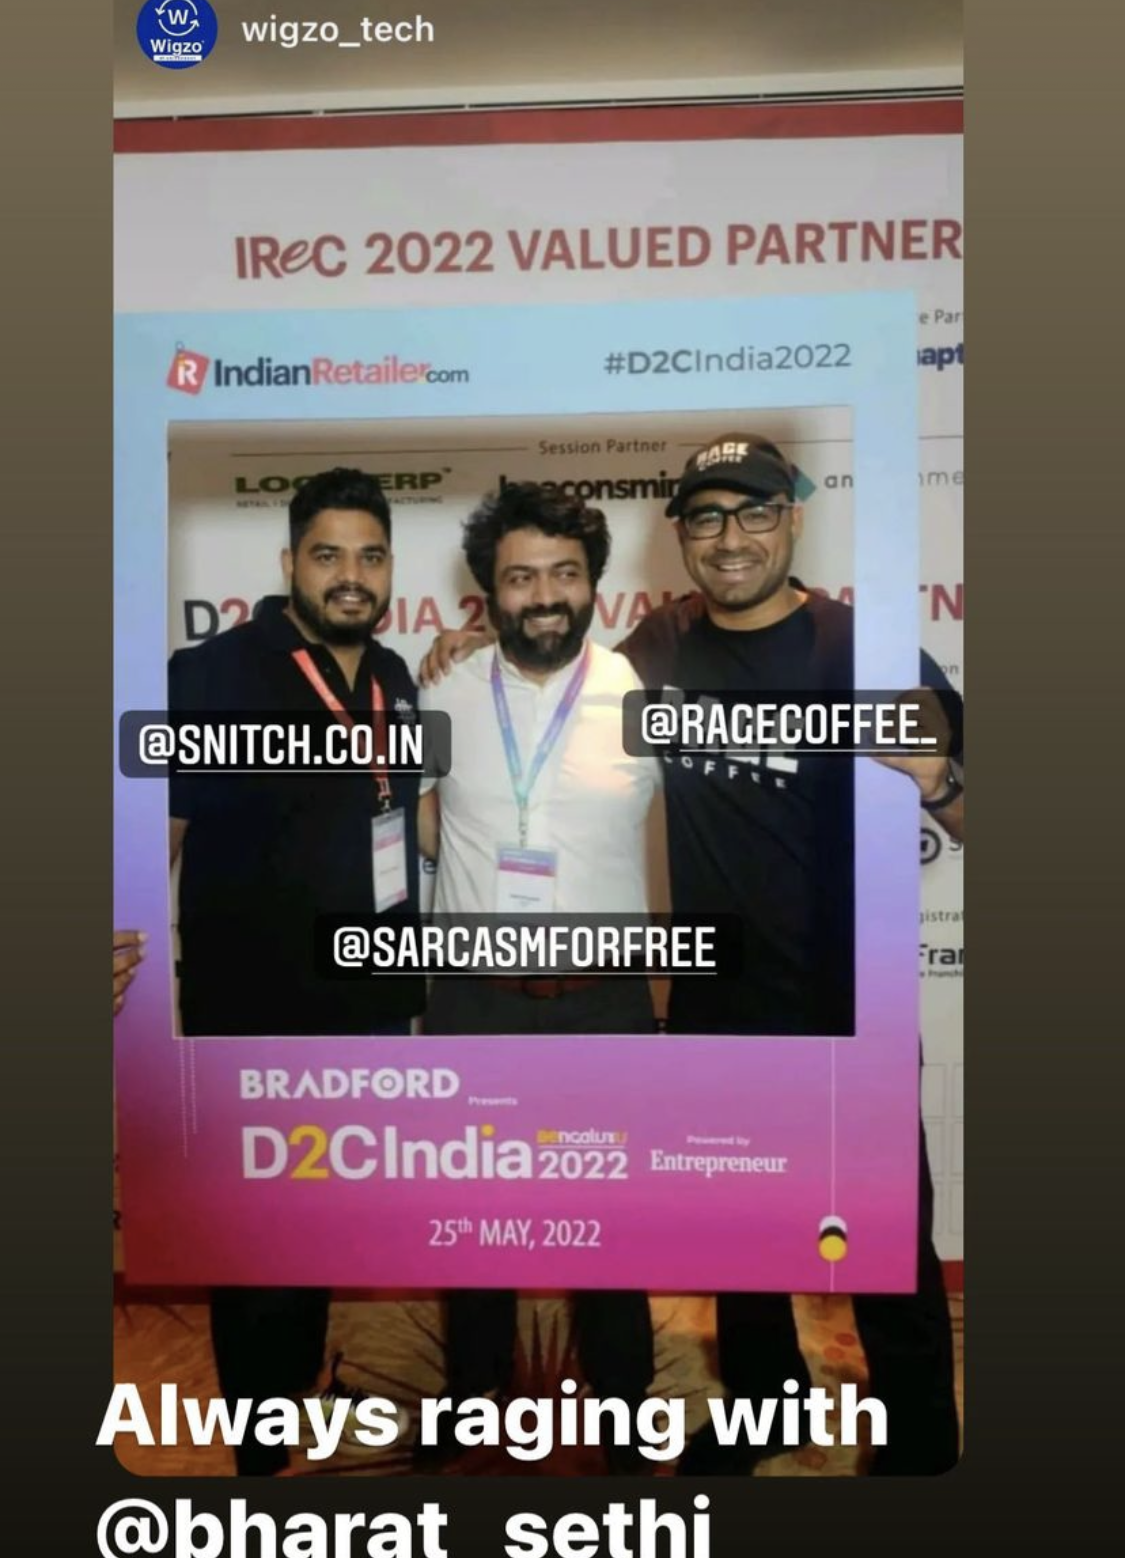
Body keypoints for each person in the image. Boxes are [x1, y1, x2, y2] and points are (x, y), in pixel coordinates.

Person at [421, 435, 965, 1477]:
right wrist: (457, 645)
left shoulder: (875, 650)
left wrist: (940, 779)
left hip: (851, 1000)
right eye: (707, 518)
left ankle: (921, 1449)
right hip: (717, 1004)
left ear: (793, 520)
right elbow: (548, 653)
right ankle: (770, 1407)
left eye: (754, 513)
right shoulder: (656, 651)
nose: (731, 538)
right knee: (743, 1236)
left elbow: (973, 804)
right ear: (679, 537)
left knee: (888, 1244)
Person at [165, 466, 432, 1475]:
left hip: (367, 1001)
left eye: (370, 555)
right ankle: (260, 1451)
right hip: (255, 1011)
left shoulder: (397, 676)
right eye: (328, 554)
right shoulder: (212, 675)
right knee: (255, 1239)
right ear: (288, 564)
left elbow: (396, 819)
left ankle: (301, 1390)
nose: (350, 575)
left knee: (320, 1221)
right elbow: (161, 837)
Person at [419, 482, 662, 1465]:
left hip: (604, 1006)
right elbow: (416, 824)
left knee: (614, 1225)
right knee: (473, 1220)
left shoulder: (643, 699)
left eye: (566, 573)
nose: (546, 594)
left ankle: (627, 1407)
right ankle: (470, 1393)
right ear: (488, 595)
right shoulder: (438, 693)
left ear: (595, 585)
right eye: (522, 577)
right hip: (473, 1002)